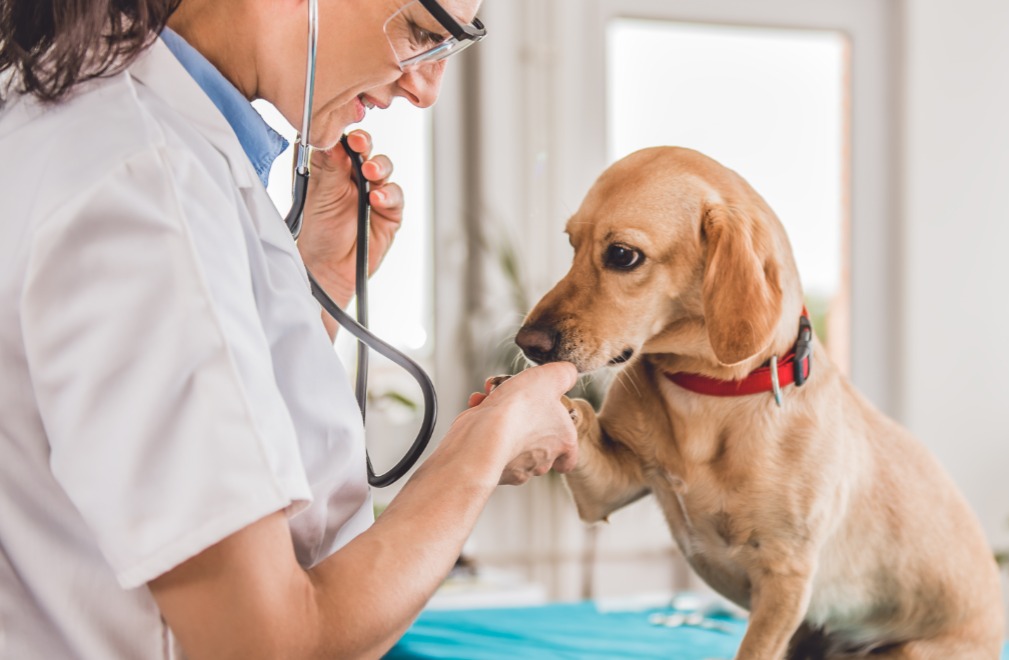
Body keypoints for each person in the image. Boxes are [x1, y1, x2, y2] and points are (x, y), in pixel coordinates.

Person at [0, 0, 579, 657]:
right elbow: (268, 643)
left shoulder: (97, 128)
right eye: (422, 31)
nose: (423, 89)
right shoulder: (141, 191)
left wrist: (318, 285)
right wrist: (484, 444)